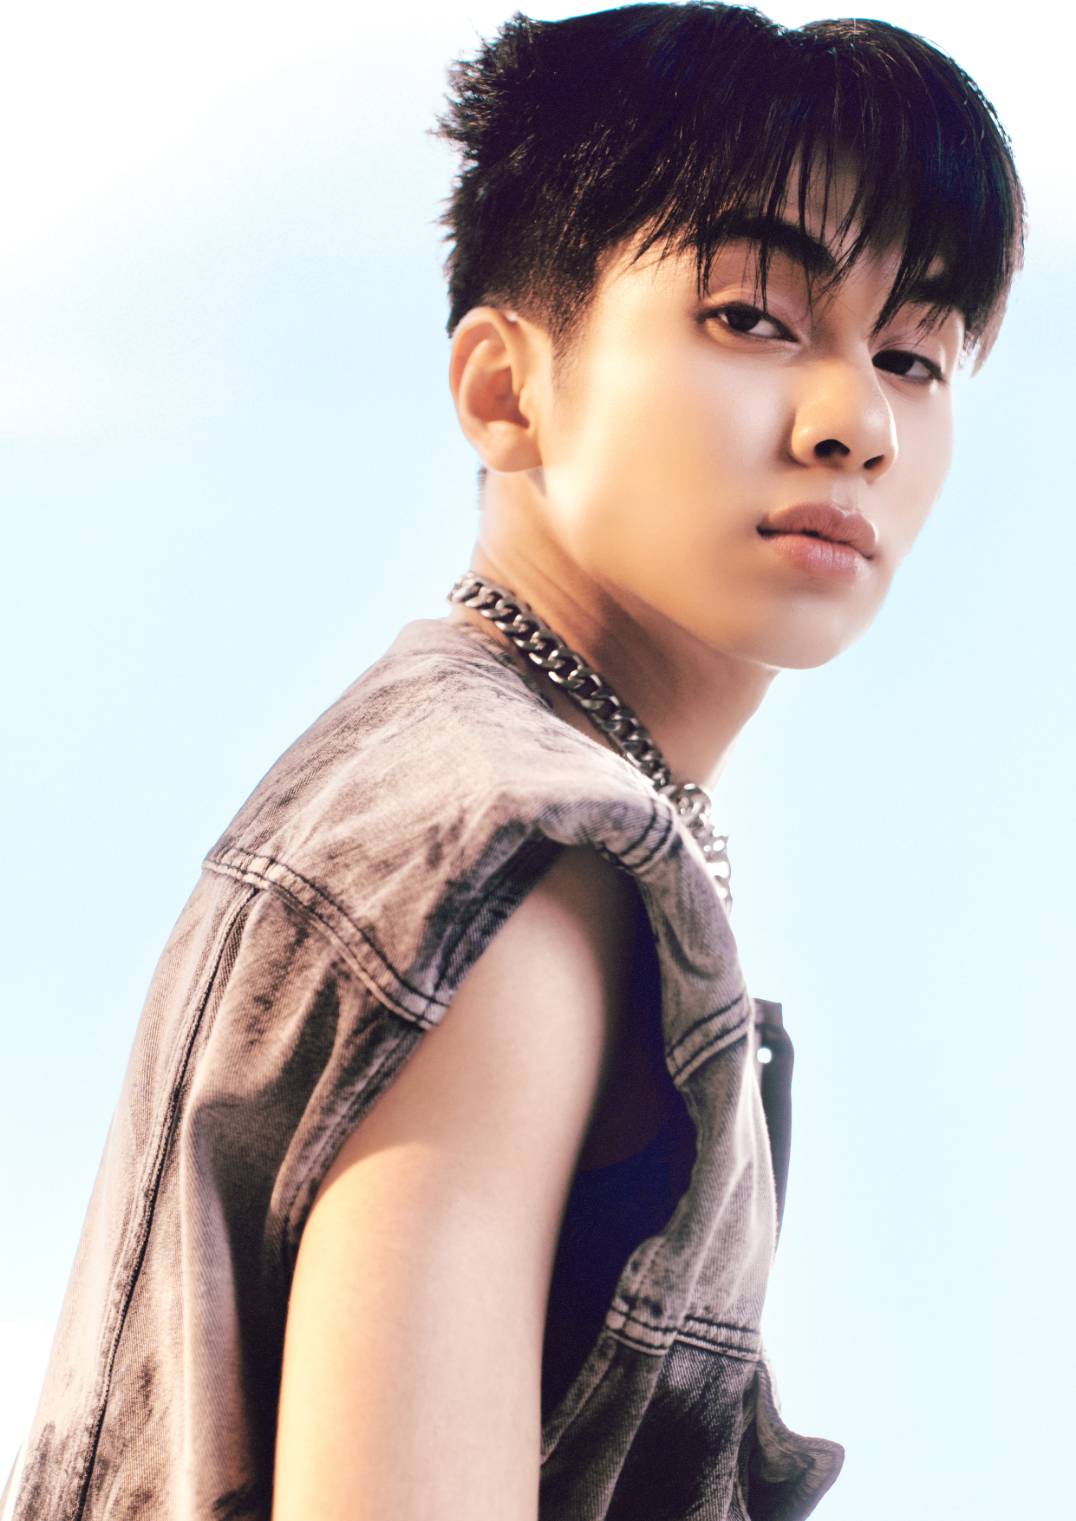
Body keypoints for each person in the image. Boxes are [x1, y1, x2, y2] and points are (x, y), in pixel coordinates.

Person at [2, 4, 1025, 1518]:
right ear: (505, 388)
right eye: (754, 318)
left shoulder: (463, 793)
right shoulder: (522, 869)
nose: (855, 423)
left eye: (913, 354)